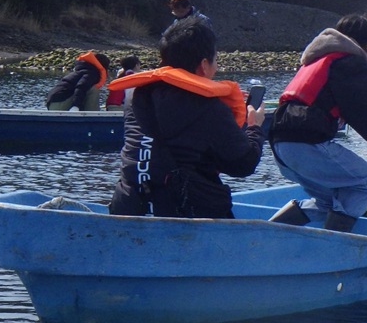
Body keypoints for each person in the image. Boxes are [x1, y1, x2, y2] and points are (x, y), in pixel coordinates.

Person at [108, 16, 265, 218]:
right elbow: (243, 165)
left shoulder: (136, 96)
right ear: (204, 65)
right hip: (184, 213)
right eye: (216, 60)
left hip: (128, 207)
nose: (216, 68)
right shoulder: (209, 108)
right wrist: (254, 127)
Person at [269, 14, 367, 233]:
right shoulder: (350, 63)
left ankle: (267, 234)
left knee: (329, 203)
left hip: (279, 143)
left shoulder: (317, 58)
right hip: (305, 141)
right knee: (366, 182)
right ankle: (334, 245)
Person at [45, 50, 112, 111]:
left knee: (86, 90)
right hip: (59, 105)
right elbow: (81, 87)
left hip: (52, 103)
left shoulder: (82, 71)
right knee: (93, 89)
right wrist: (75, 106)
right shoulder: (92, 73)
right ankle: (93, 113)